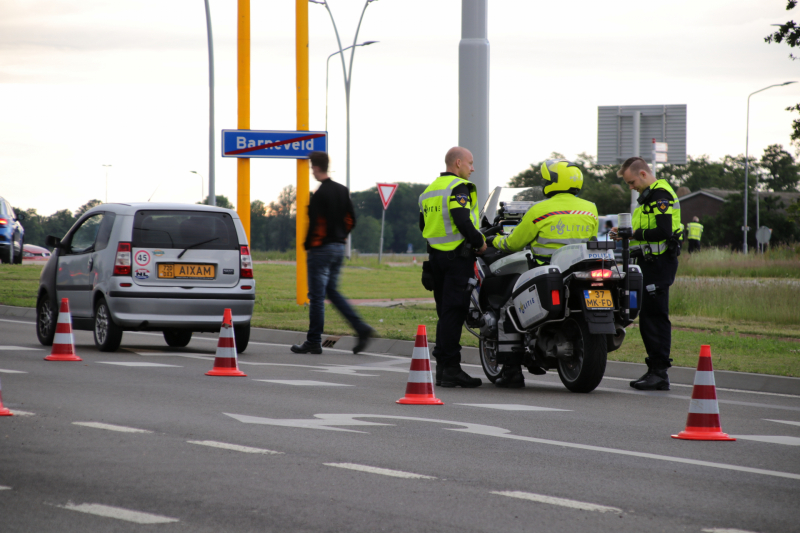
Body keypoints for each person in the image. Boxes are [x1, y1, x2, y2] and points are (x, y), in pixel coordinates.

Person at [488, 159, 599, 387]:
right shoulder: (590, 208)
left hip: (544, 272)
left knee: (508, 309)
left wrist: (494, 240)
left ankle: (511, 371)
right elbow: (591, 240)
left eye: (547, 180)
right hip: (578, 272)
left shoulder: (539, 209)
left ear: (553, 183)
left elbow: (514, 243)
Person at [291, 151, 374, 355]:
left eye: (312, 167)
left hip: (322, 250)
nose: (312, 171)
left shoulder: (320, 194)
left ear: (316, 168)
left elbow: (317, 225)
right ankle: (361, 328)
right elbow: (351, 219)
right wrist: (340, 236)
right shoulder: (342, 190)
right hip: (338, 248)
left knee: (317, 297)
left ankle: (313, 341)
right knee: (332, 292)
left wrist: (310, 244)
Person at [612, 157, 681, 391]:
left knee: (655, 317)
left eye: (631, 182)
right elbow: (645, 232)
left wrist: (633, 234)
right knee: (648, 316)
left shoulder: (660, 195)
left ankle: (659, 373)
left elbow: (663, 230)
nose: (631, 187)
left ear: (642, 174)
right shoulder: (649, 197)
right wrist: (625, 234)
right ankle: (655, 371)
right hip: (650, 262)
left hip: (659, 263)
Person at [419, 146, 485, 388]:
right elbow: (462, 219)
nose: (473, 168)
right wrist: (479, 243)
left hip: (435, 260)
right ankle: (451, 369)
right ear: (458, 163)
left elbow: (422, 225)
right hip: (457, 260)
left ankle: (444, 369)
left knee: (444, 313)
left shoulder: (428, 191)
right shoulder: (457, 188)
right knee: (454, 313)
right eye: (470, 163)